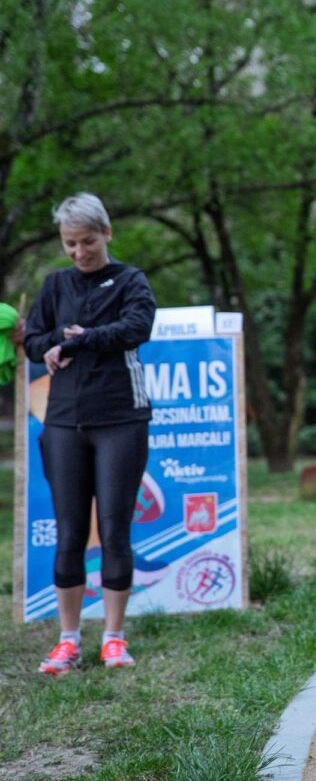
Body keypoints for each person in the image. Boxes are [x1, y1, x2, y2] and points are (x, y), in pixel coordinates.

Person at [24, 192, 156, 674]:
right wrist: (54, 345)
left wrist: (80, 340)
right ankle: (68, 639)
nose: (79, 252)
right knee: (70, 532)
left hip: (121, 418)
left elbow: (137, 327)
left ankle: (114, 638)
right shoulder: (55, 284)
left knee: (116, 527)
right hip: (62, 421)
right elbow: (35, 341)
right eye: (70, 243)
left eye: (87, 242)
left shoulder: (130, 280)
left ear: (107, 233)